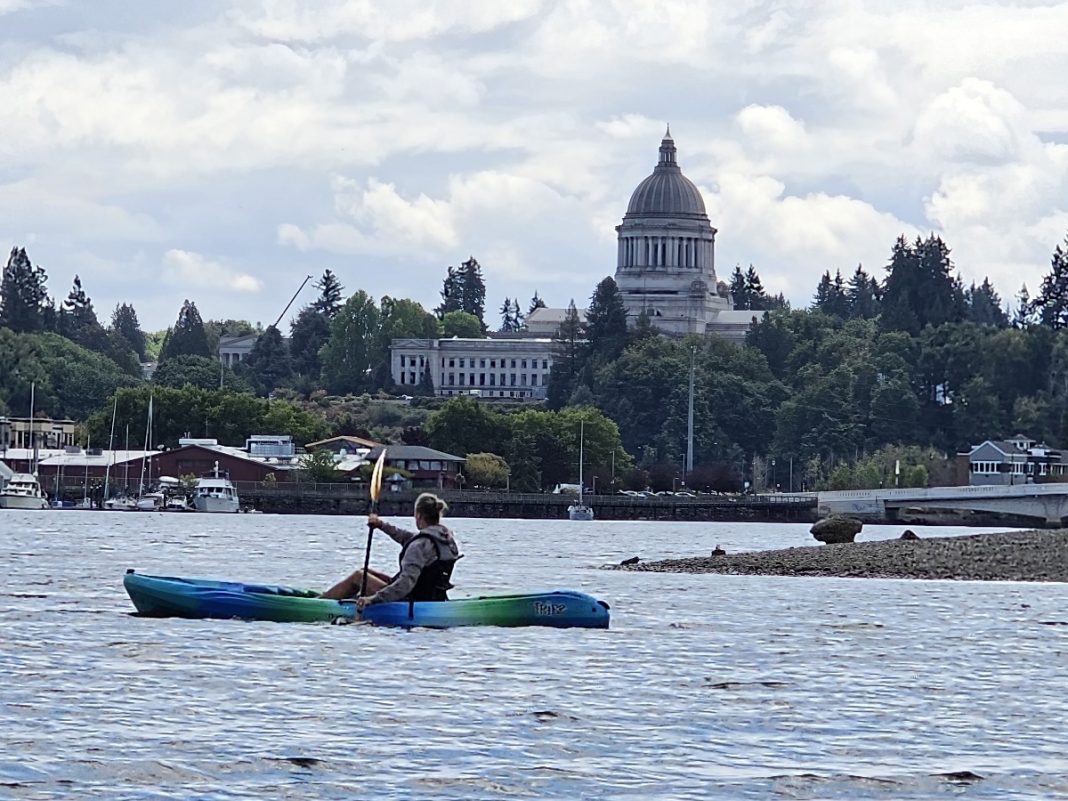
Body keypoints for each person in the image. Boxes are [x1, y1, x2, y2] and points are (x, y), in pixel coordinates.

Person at [321, 492, 461, 609]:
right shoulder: (446, 539)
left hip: (409, 599)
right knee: (366, 572)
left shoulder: (418, 546)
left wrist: (373, 599)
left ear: (418, 515)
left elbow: (405, 584)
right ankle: (341, 598)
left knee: (359, 576)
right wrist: (380, 525)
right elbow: (405, 537)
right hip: (431, 596)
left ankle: (320, 603)